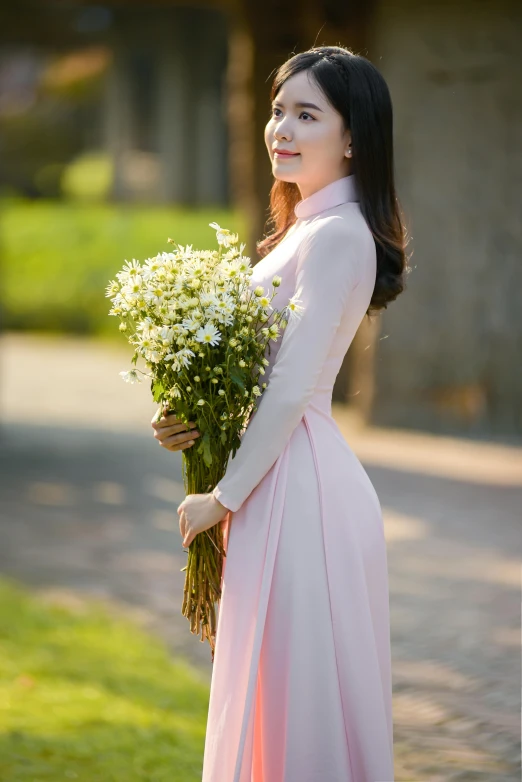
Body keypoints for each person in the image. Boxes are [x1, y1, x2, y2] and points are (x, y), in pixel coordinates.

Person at [152, 45, 407, 782]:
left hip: (302, 492)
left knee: (300, 705)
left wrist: (221, 496)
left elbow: (293, 389)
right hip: (278, 480)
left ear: (352, 136)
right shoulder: (303, 229)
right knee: (272, 695)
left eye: (306, 115)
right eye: (276, 110)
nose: (280, 129)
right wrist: (187, 420)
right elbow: (253, 382)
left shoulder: (337, 235)